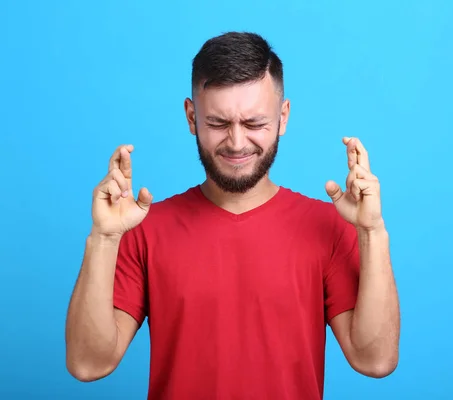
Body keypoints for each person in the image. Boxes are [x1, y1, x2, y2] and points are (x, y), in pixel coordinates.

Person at [65, 31, 400, 400]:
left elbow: (375, 360)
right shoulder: (144, 229)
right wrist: (103, 239)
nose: (237, 143)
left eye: (255, 123)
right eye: (218, 123)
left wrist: (372, 232)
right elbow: (88, 364)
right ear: (192, 117)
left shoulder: (330, 228)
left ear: (283, 116)